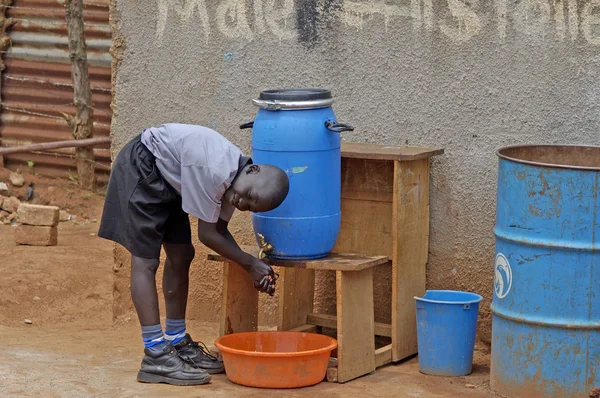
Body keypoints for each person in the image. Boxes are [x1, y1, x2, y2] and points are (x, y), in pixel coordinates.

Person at [98, 123, 289, 386]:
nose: (243, 204)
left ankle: (177, 341)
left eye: (250, 207)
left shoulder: (235, 182)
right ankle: (155, 354)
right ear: (253, 169)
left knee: (182, 254)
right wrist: (250, 263)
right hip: (143, 168)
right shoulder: (216, 170)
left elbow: (219, 231)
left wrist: (252, 267)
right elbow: (208, 235)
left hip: (169, 180)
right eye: (250, 196)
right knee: (146, 260)